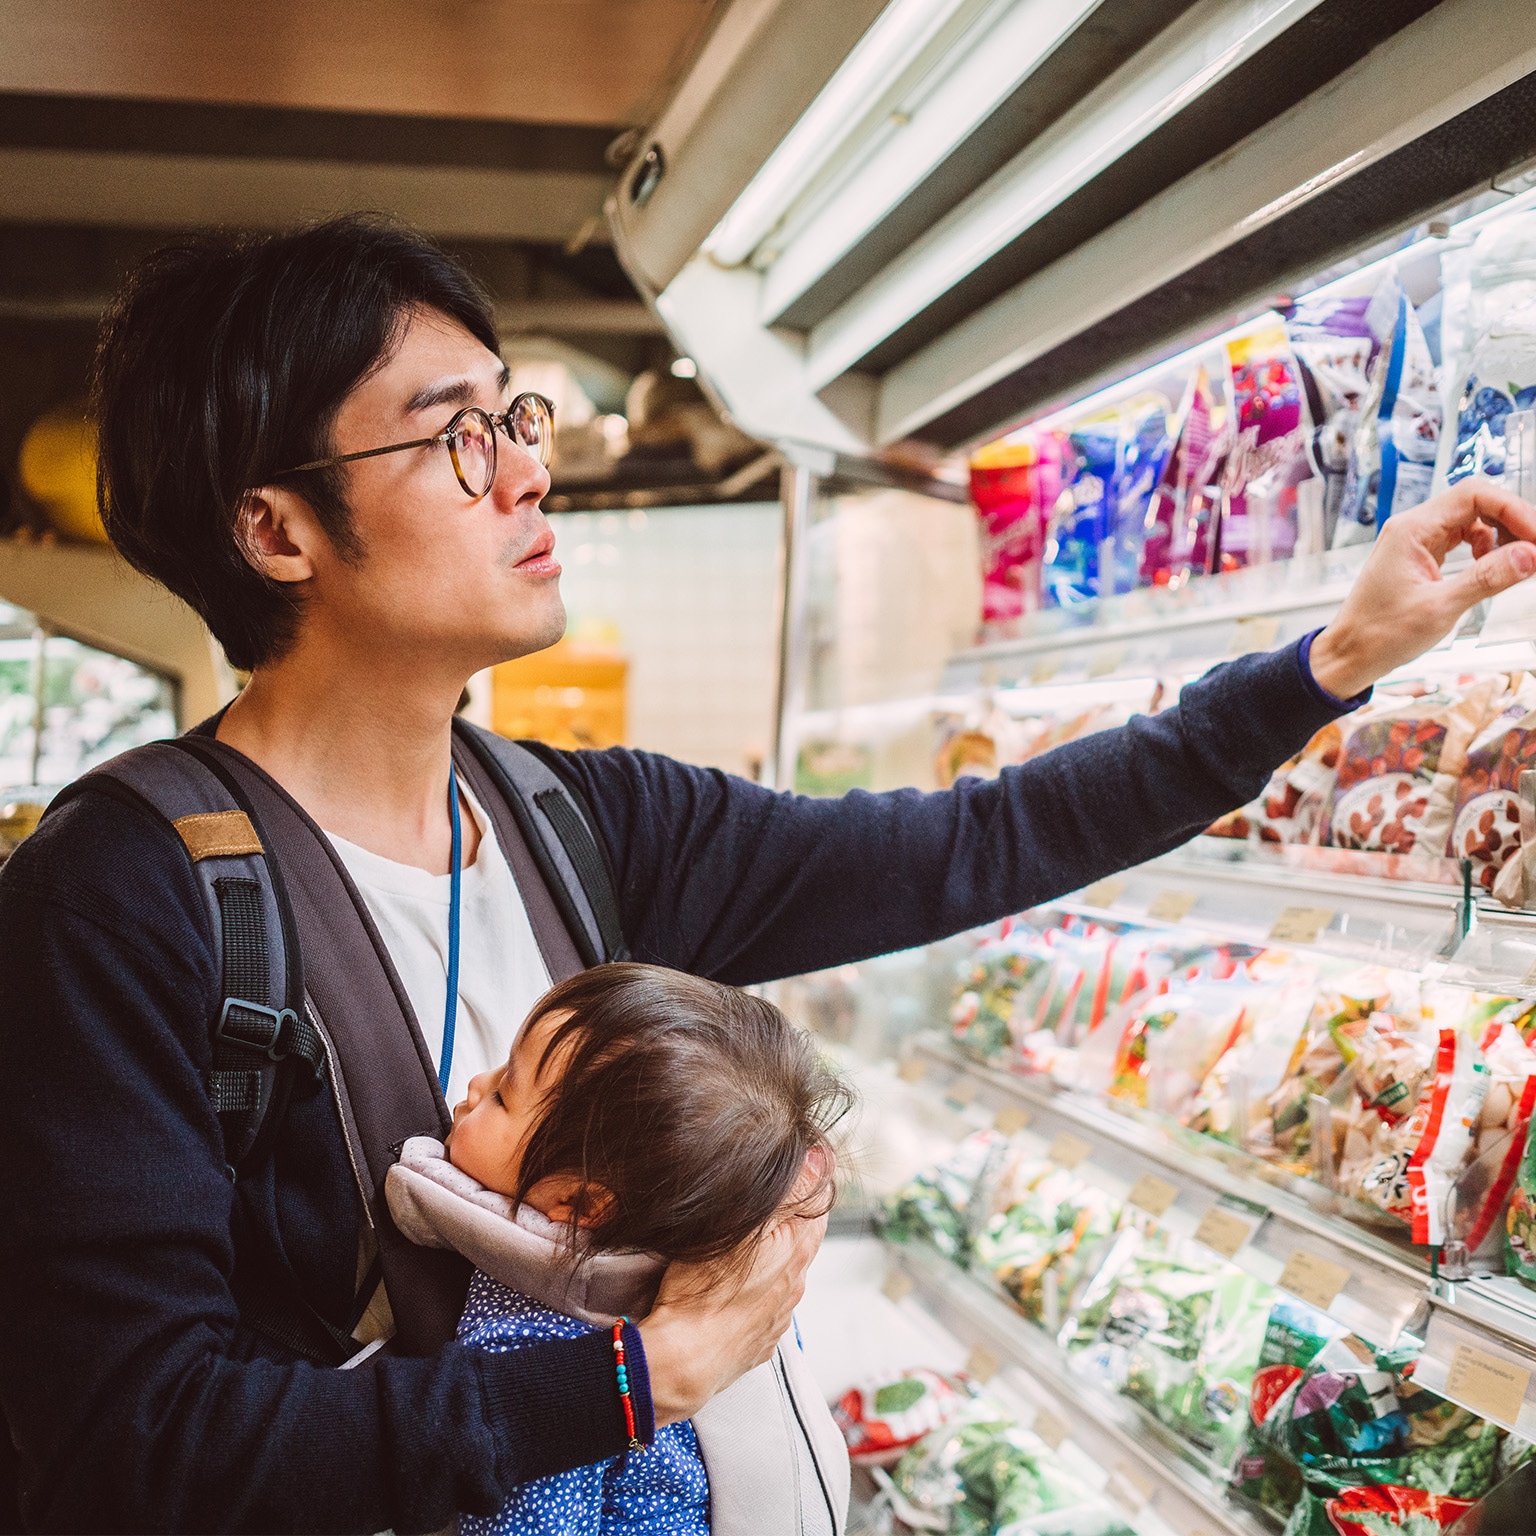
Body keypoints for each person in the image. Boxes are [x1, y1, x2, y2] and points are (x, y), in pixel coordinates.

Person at [0, 213, 1533, 1534]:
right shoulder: (122, 901)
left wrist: (1330, 663)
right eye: (455, 434)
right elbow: (133, 1445)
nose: (527, 474)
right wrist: (644, 1376)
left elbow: (973, 842)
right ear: (275, 529)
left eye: (516, 417)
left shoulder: (574, 826)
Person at [387, 962, 853, 1535]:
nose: (478, 1084)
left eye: (505, 1096)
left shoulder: (537, 1341)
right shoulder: (739, 1261)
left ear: (581, 1206)